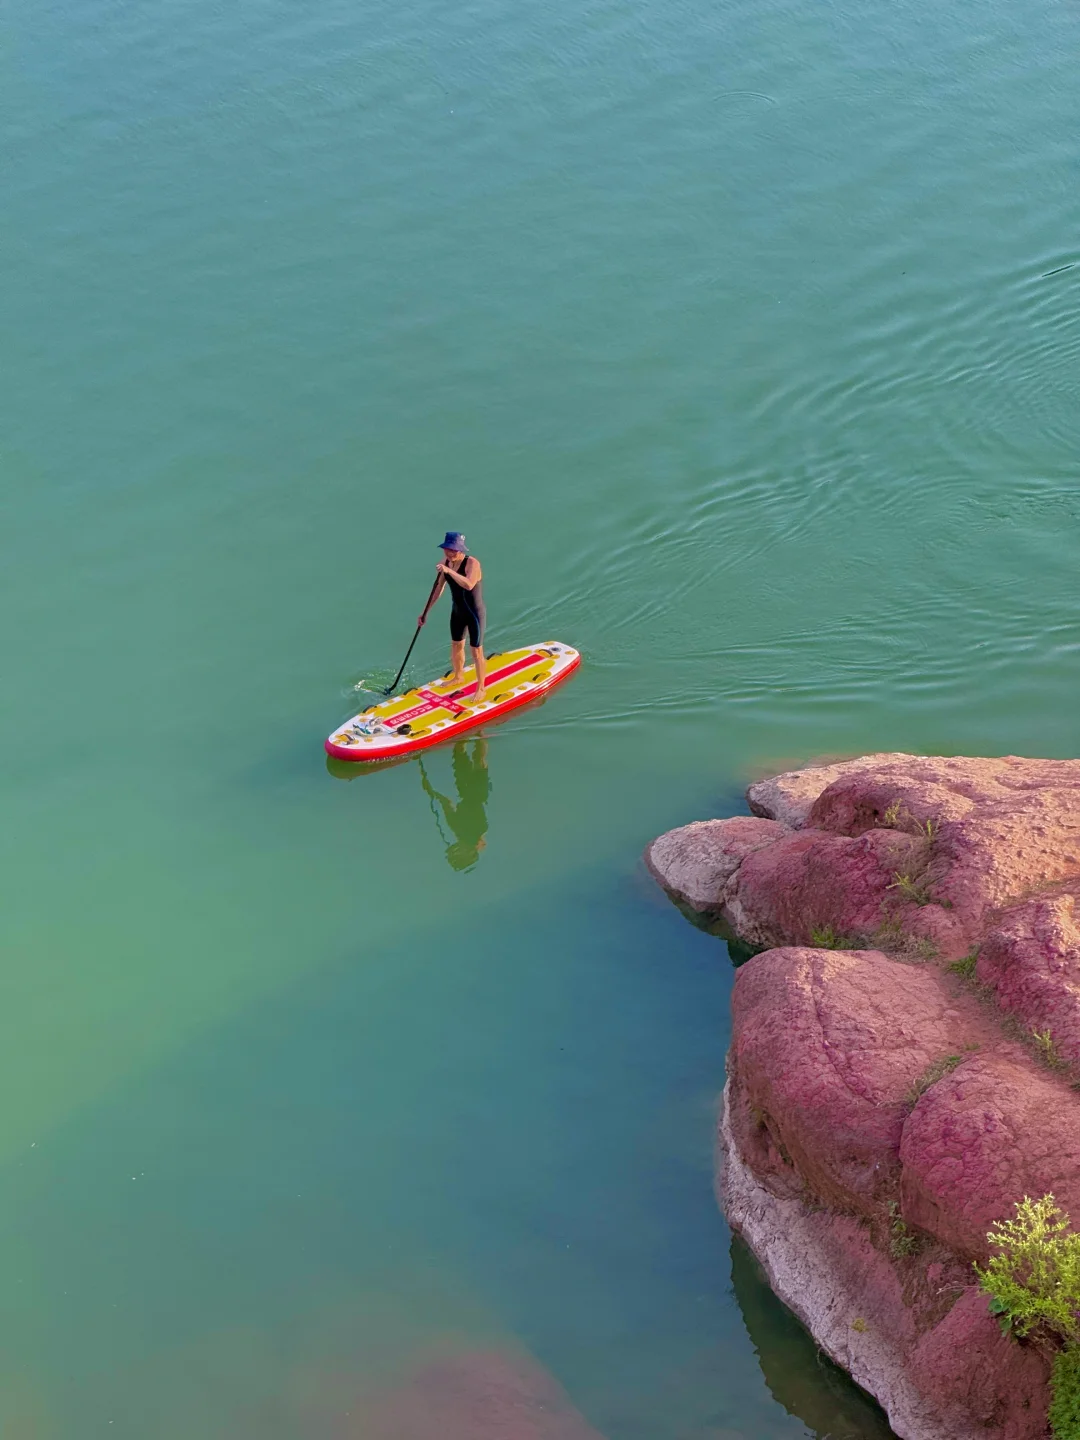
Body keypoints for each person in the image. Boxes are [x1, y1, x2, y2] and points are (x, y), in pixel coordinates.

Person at [421, 531, 486, 702]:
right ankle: (458, 676)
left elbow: (469, 584)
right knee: (456, 645)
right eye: (447, 549)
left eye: (453, 550)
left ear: (461, 550)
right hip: (457, 612)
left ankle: (481, 688)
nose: (449, 553)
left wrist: (449, 571)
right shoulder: (445, 563)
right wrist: (425, 612)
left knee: (476, 651)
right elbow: (438, 589)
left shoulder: (472, 563)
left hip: (474, 613)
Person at [419, 739, 490, 871]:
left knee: (460, 754)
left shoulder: (457, 828)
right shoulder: (475, 835)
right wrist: (432, 792)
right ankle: (480, 732)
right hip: (478, 795)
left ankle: (466, 735)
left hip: (464, 792)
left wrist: (433, 792)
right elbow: (481, 843)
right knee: (478, 761)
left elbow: (446, 803)